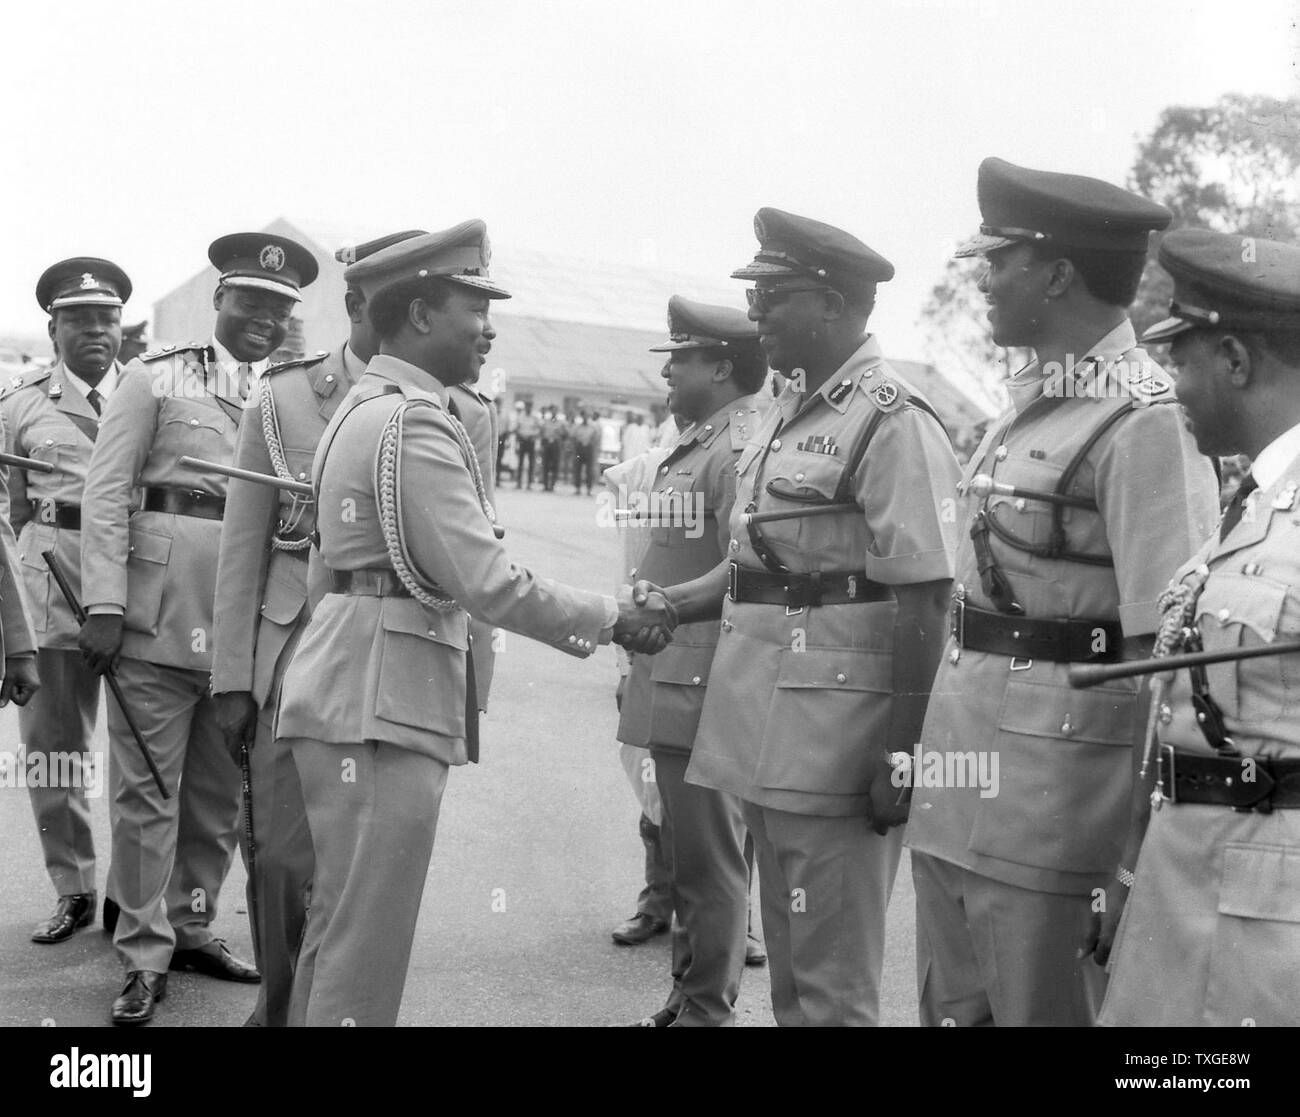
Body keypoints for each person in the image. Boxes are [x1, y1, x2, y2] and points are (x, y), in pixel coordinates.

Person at [272, 220, 676, 1027]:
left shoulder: (362, 406)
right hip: (383, 703)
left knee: (336, 928)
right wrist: (613, 617)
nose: (489, 326)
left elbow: (325, 574)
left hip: (342, 687)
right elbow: (488, 581)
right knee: (365, 946)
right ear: (421, 314)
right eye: (474, 306)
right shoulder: (415, 421)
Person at [905, 158, 1220, 1027]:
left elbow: (1168, 654)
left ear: (1056, 273)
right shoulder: (1029, 404)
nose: (984, 282)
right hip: (959, 783)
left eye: (997, 261)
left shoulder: (1147, 418)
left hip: (1054, 815)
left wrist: (1133, 859)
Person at [632, 208, 961, 1026]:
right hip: (762, 725)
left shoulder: (893, 419)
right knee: (790, 977)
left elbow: (925, 596)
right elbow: (759, 564)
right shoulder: (783, 413)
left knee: (833, 985)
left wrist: (904, 752)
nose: (756, 314)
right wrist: (674, 601)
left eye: (773, 295)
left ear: (832, 303)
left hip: (839, 740)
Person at [79, 231, 319, 1026]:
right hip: (152, 615)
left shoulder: (293, 393)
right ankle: (143, 953)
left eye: (280, 307)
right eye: (251, 300)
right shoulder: (157, 376)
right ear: (220, 299)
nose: (265, 317)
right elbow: (108, 492)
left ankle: (189, 925)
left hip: (243, 626)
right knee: (147, 791)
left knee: (218, 797)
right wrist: (103, 602)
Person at [211, 229, 423, 1026]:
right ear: (363, 300)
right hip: (292, 655)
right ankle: (282, 1005)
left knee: (370, 868)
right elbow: (242, 548)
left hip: (398, 665)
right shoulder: (284, 397)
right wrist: (232, 677)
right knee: (282, 860)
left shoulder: (457, 405)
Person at [1090, 229, 1300, 1027]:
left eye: (1183, 361)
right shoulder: (1251, 502)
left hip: (1266, 922)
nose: (1170, 385)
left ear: (1237, 361)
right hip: (1186, 886)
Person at [619, 295, 766, 1027]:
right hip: (672, 674)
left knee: (710, 862)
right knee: (685, 853)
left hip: (706, 680)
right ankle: (686, 992)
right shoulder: (699, 440)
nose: (669, 371)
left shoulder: (738, 447)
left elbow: (745, 571)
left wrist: (663, 605)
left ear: (721, 364)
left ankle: (708, 1006)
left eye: (680, 358)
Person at [4, 259, 131, 945]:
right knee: (54, 747)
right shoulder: (19, 404)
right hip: (51, 584)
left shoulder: (152, 394)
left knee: (146, 750)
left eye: (107, 320)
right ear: (53, 327)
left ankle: (133, 896)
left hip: (137, 586)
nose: (95, 331)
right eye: (80, 320)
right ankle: (73, 885)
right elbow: (13, 514)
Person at [571, 410, 599, 494]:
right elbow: (573, 438)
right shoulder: (577, 427)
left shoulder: (593, 427)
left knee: (589, 470)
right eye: (584, 416)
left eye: (587, 416)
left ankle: (589, 489)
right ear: (581, 416)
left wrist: (592, 446)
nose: (585, 417)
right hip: (579, 449)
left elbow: (596, 438)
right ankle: (577, 488)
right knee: (577, 469)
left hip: (589, 449)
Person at [514, 399, 539, 489]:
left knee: (531, 463)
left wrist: (532, 435)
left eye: (530, 406)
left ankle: (529, 484)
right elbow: (517, 428)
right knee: (520, 462)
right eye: (527, 406)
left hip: (530, 441)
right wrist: (521, 435)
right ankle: (519, 483)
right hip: (523, 440)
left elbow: (537, 430)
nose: (528, 408)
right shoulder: (521, 416)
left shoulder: (535, 417)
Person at [539, 405, 566, 491]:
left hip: (556, 444)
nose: (554, 412)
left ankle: (552, 485)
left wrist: (559, 435)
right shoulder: (546, 422)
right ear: (550, 411)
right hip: (547, 444)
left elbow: (564, 435)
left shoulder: (561, 423)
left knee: (555, 465)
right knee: (545, 465)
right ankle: (545, 485)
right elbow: (542, 433)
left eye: (555, 410)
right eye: (552, 410)